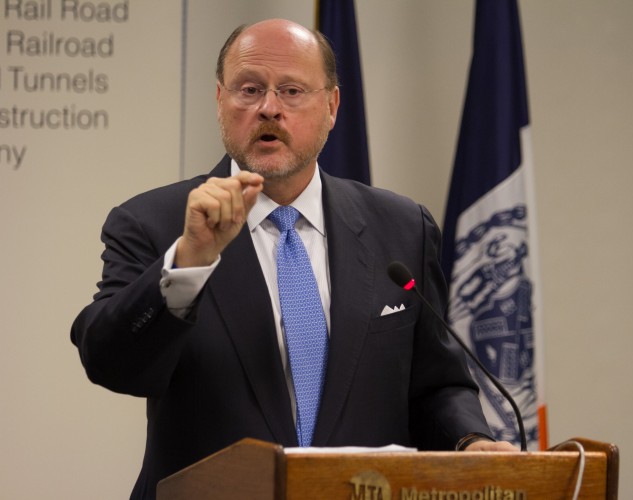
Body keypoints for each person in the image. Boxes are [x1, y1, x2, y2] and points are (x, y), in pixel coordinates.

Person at [71, 18, 516, 500]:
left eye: (291, 91)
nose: (268, 109)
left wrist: (470, 441)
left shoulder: (403, 227)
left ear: (332, 106)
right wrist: (189, 261)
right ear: (220, 102)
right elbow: (112, 364)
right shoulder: (155, 224)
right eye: (249, 89)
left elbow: (436, 383)